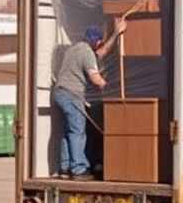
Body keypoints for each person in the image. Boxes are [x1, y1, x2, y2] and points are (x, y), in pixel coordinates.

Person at [53, 19, 127, 181]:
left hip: (60, 93)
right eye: (99, 41)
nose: (100, 44)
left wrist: (116, 34)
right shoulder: (87, 53)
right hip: (72, 94)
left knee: (68, 132)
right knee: (78, 132)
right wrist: (111, 86)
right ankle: (79, 169)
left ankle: (65, 168)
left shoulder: (76, 48)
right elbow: (95, 79)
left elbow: (101, 52)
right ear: (96, 41)